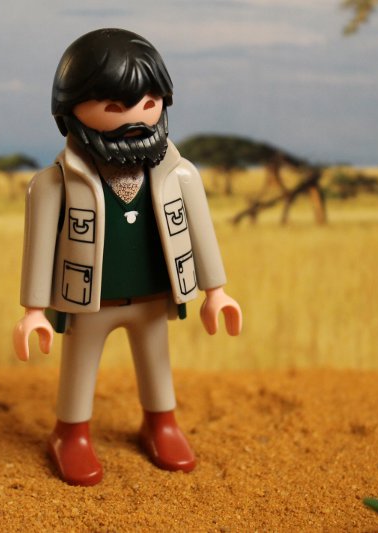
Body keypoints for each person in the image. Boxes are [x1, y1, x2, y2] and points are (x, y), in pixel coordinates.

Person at [13, 28, 242, 486]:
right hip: (88, 300)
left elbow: (202, 233)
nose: (136, 116)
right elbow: (38, 248)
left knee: (156, 363)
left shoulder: (179, 174)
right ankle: (70, 434)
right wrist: (34, 310)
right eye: (115, 107)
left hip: (153, 296)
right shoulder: (55, 184)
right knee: (80, 367)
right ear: (70, 109)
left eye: (149, 102)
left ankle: (161, 425)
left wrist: (216, 291)